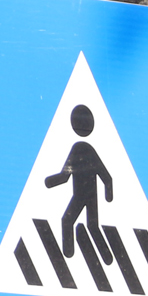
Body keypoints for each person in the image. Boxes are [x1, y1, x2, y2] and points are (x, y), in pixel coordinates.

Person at [44, 104, 113, 262]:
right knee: (93, 226)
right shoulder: (89, 149)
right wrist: (108, 193)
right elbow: (106, 176)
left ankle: (68, 256)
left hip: (81, 195)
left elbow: (65, 175)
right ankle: (107, 258)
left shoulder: (78, 149)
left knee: (67, 221)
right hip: (92, 196)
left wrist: (48, 182)